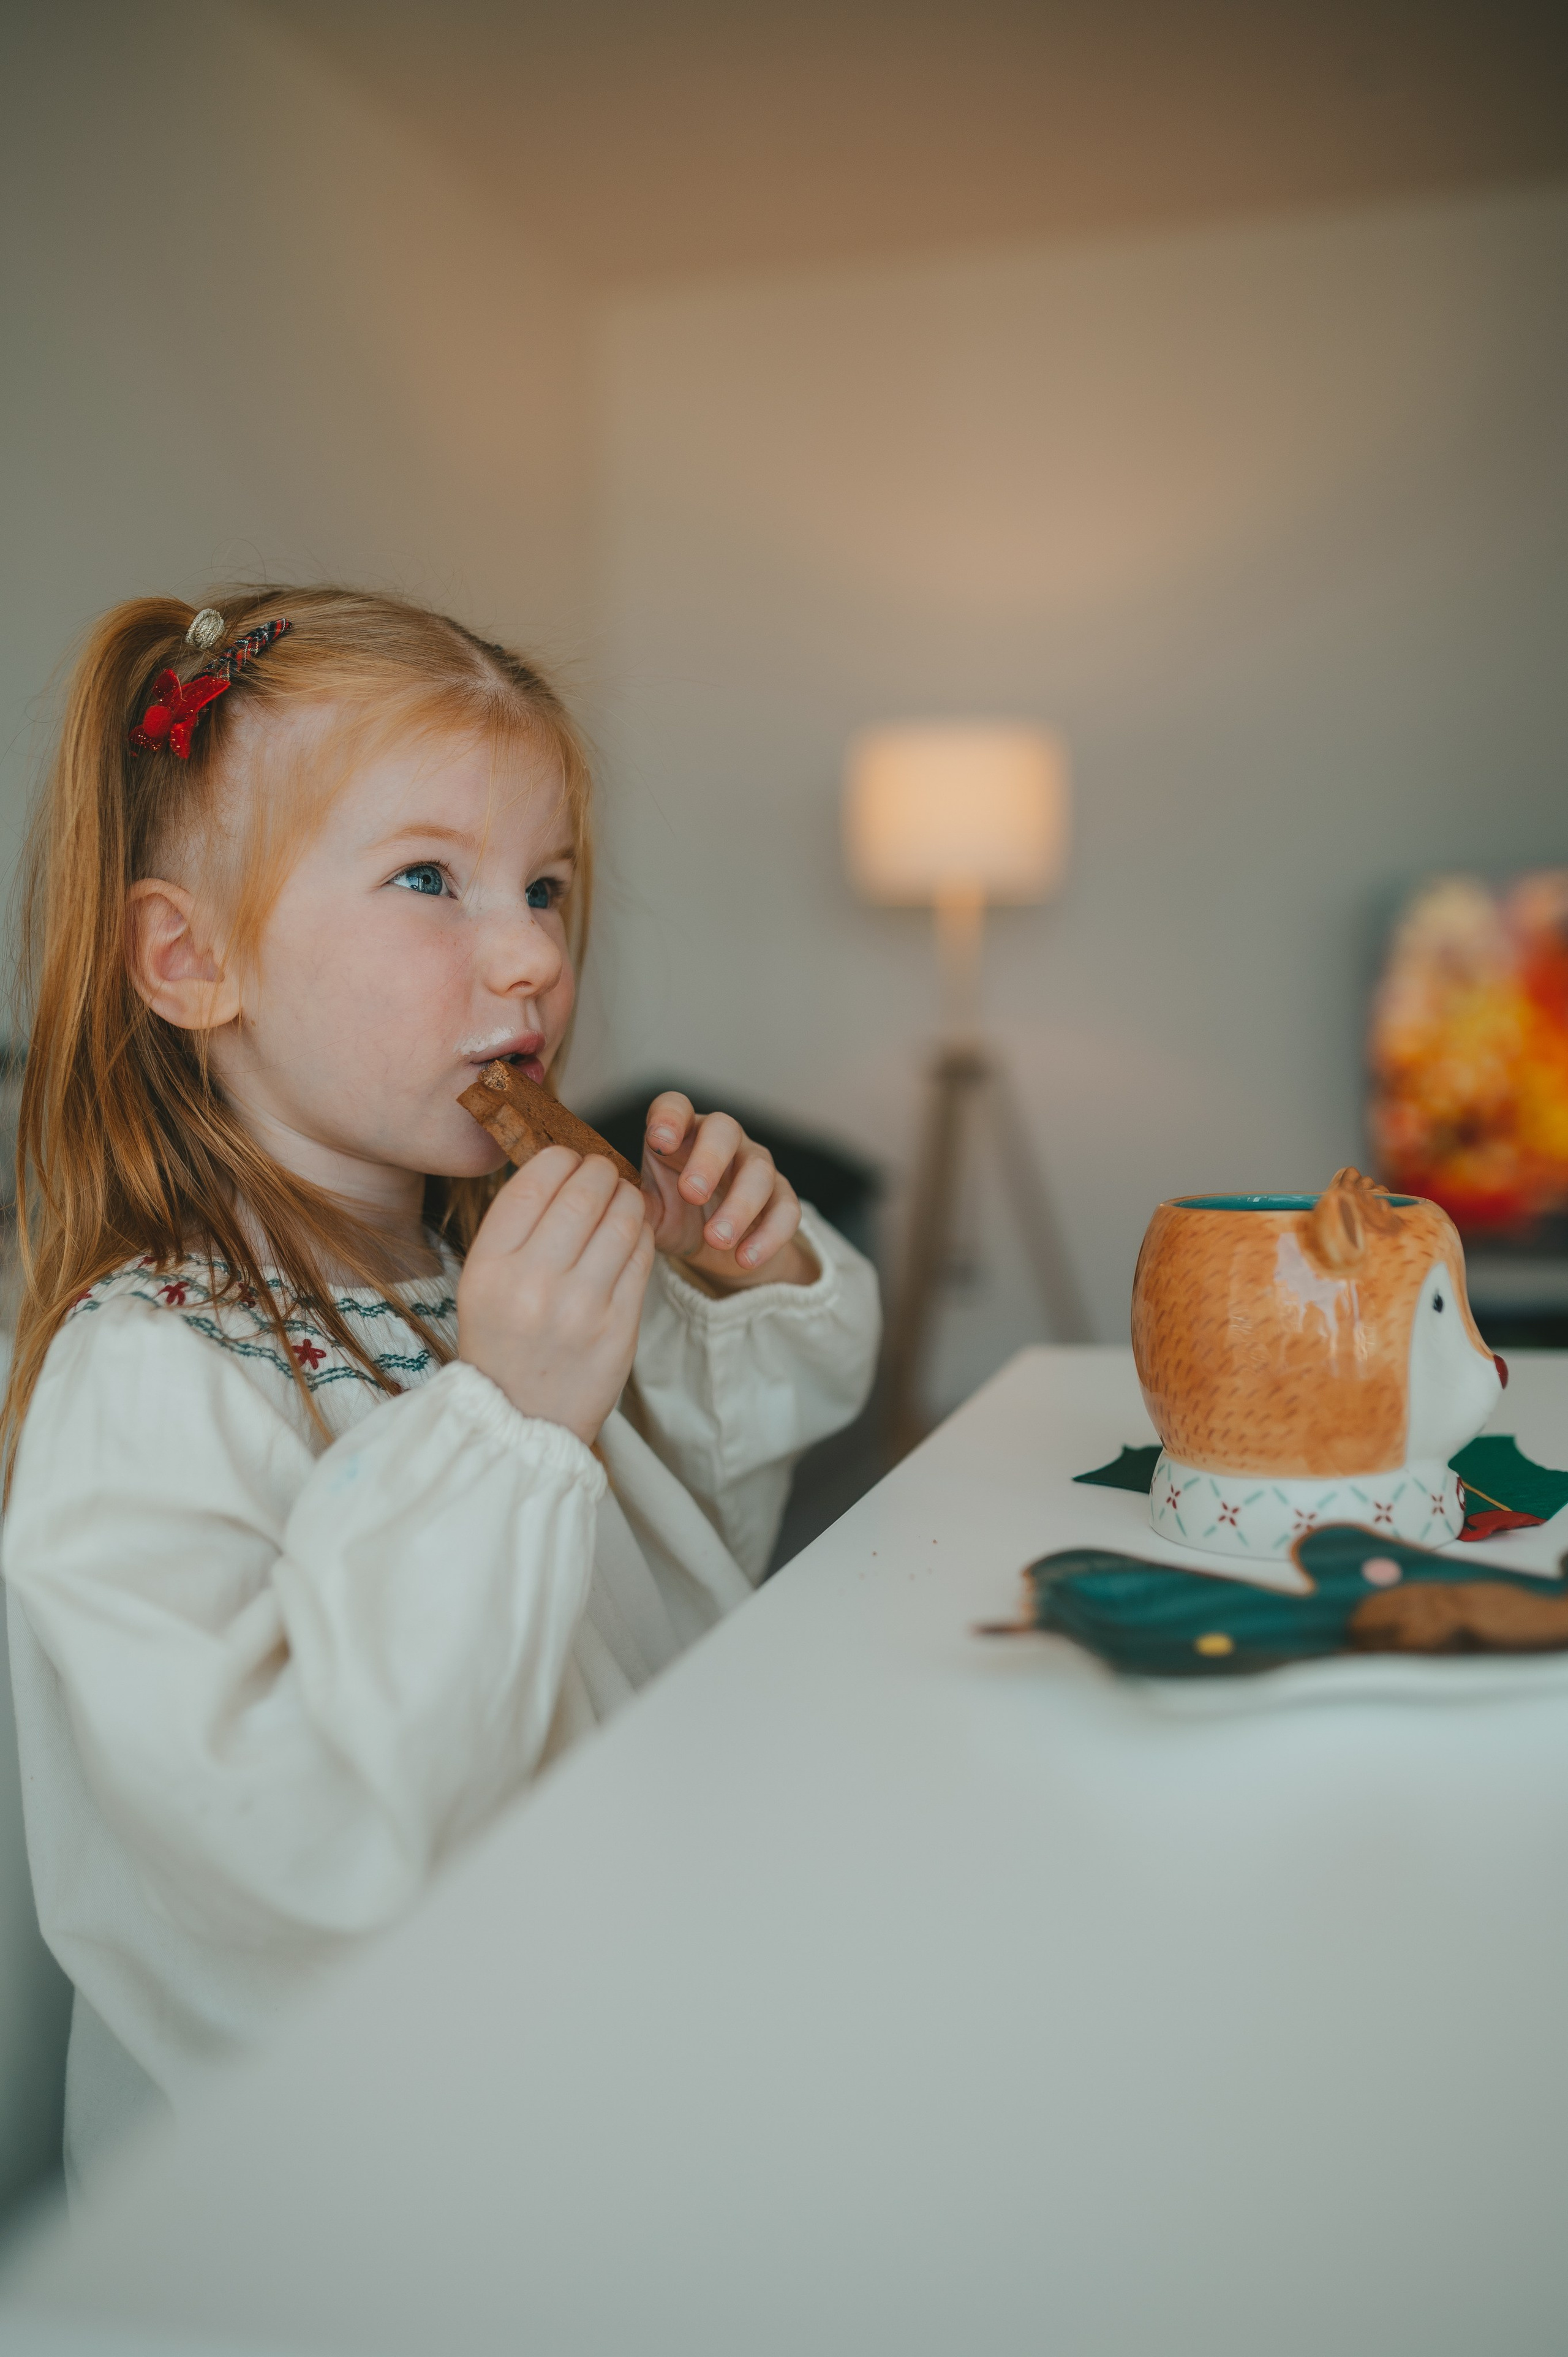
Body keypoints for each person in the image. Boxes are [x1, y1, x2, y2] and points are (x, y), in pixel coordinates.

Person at [1, 589, 880, 2193]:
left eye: (546, 885)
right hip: (350, 2189)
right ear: (192, 960)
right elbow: (288, 1856)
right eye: (431, 878)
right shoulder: (146, 1381)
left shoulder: (472, 1267)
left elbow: (686, 1526)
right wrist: (505, 1420)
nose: (538, 950)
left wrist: (730, 1286)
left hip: (623, 2032)